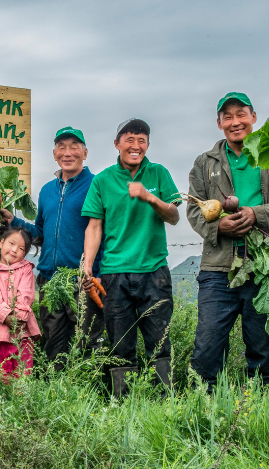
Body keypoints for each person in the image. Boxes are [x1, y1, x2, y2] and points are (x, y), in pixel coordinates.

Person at [186, 93, 269, 393]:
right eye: (227, 117)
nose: (235, 122)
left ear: (253, 117)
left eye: (241, 114)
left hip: (266, 266)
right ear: (219, 123)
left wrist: (257, 214)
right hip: (218, 267)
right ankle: (203, 406)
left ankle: (262, 408)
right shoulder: (205, 163)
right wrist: (219, 227)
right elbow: (193, 209)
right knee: (208, 346)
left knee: (262, 347)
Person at [81, 118, 182, 396]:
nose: (135, 146)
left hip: (154, 272)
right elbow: (94, 226)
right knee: (120, 345)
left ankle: (163, 403)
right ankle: (123, 406)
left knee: (159, 342)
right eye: (129, 139)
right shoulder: (102, 180)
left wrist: (150, 198)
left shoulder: (159, 173)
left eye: (141, 140)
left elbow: (173, 216)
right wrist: (88, 263)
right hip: (114, 274)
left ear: (147, 145)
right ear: (117, 144)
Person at [0, 126, 106, 371]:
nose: (68, 153)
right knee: (54, 341)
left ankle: (91, 390)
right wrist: (14, 222)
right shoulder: (47, 190)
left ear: (85, 153)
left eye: (74, 147)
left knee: (87, 339)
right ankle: (57, 390)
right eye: (62, 147)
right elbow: (41, 233)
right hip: (49, 278)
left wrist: (97, 272)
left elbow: (103, 231)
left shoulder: (97, 185)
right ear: (55, 153)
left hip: (81, 279)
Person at [0, 226, 41, 379]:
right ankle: (3, 402)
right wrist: (6, 316)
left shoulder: (26, 268)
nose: (14, 250)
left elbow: (25, 294)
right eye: (11, 243)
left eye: (21, 248)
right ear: (1, 243)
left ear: (25, 254)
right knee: (3, 374)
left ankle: (21, 402)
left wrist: (19, 318)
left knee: (24, 373)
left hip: (23, 331)